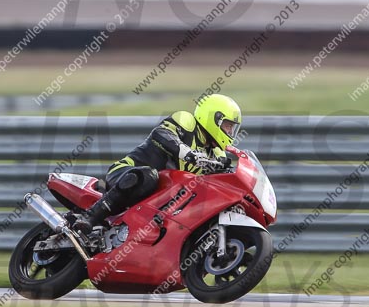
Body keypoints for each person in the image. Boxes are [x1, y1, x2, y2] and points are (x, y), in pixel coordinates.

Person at [68, 94, 242, 235]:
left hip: (160, 199)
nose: (229, 132)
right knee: (149, 176)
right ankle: (90, 217)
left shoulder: (216, 154)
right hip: (127, 173)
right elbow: (161, 133)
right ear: (213, 118)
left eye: (231, 128)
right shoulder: (186, 121)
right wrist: (185, 152)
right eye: (227, 126)